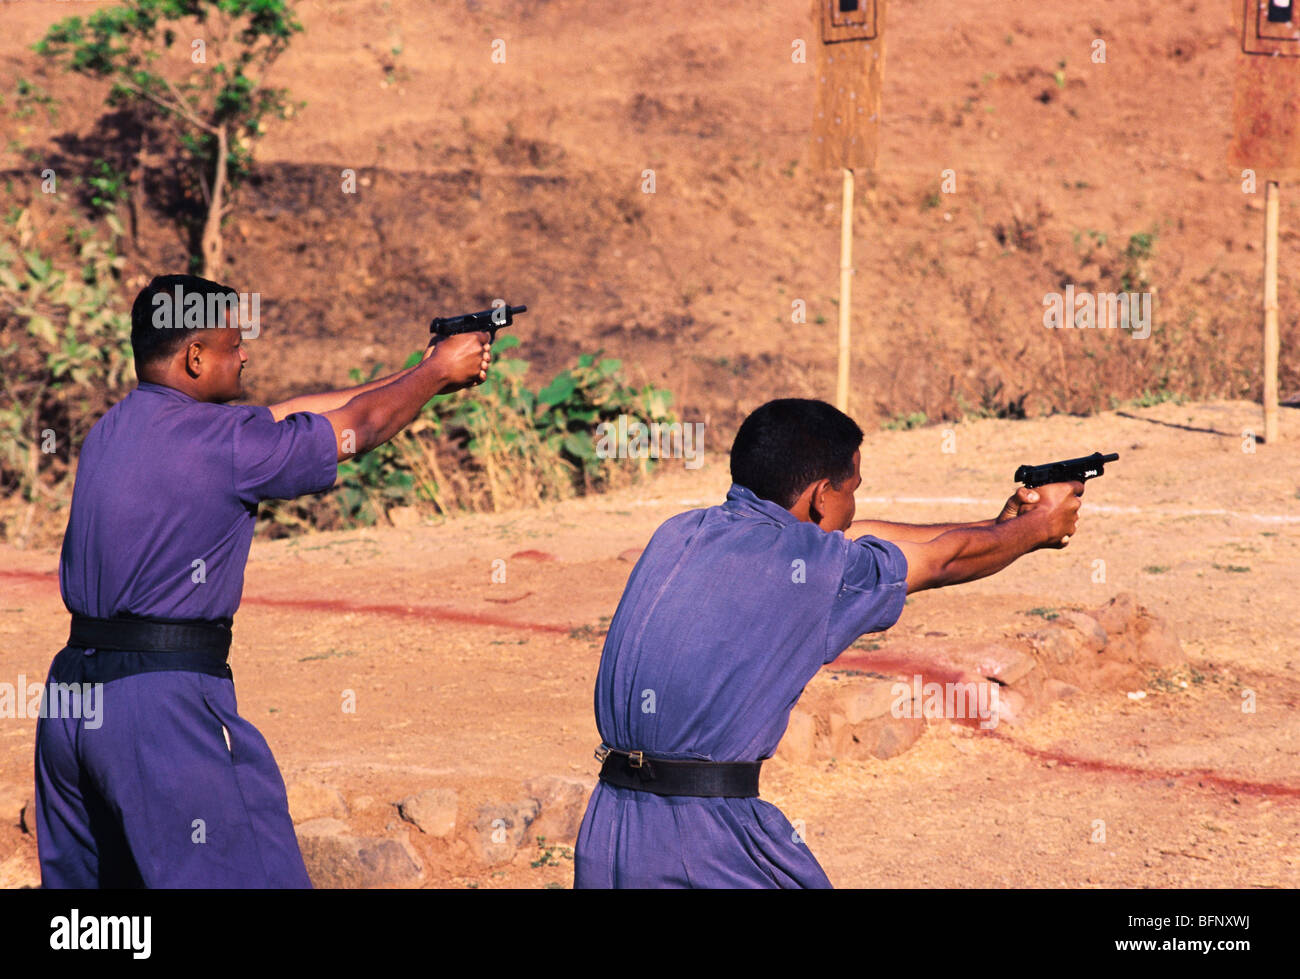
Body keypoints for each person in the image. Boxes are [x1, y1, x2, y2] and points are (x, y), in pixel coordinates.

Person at [34, 273, 492, 888]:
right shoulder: (222, 441)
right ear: (196, 356)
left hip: (72, 699)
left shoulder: (114, 430)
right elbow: (360, 426)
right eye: (233, 344)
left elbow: (298, 412)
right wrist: (435, 375)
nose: (245, 354)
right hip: (159, 707)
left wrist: (425, 368)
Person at [573, 397, 1083, 888]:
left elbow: (853, 538)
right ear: (822, 495)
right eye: (852, 487)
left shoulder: (683, 531)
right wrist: (1039, 527)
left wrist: (998, 528)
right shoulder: (811, 567)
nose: (854, 501)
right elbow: (941, 562)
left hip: (608, 828)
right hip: (703, 837)